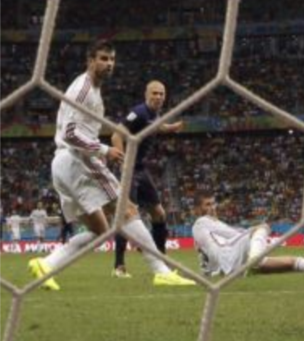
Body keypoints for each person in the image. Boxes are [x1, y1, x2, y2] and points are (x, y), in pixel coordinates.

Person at [28, 40, 195, 290]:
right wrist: (105, 150)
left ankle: (47, 264)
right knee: (128, 210)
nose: (109, 64)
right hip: (77, 161)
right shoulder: (84, 89)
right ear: (90, 61)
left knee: (100, 230)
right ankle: (161, 271)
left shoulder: (91, 89)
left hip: (62, 165)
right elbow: (70, 134)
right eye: (103, 58)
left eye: (112, 59)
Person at [111, 80, 184, 279]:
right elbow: (116, 135)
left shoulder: (154, 114)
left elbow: (157, 126)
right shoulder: (139, 112)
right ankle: (119, 266)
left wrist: (171, 128)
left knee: (159, 214)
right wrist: (123, 163)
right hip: (130, 170)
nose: (158, 97)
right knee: (126, 216)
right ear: (146, 94)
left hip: (141, 170)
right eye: (154, 93)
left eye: (161, 93)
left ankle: (161, 260)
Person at [192, 193, 304, 276]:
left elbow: (229, 238)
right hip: (228, 262)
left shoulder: (213, 225)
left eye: (213, 204)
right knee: (262, 227)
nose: (212, 207)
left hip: (231, 265)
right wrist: (253, 231)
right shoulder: (201, 222)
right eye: (207, 204)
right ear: (197, 209)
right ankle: (255, 260)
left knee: (292, 262)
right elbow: (230, 238)